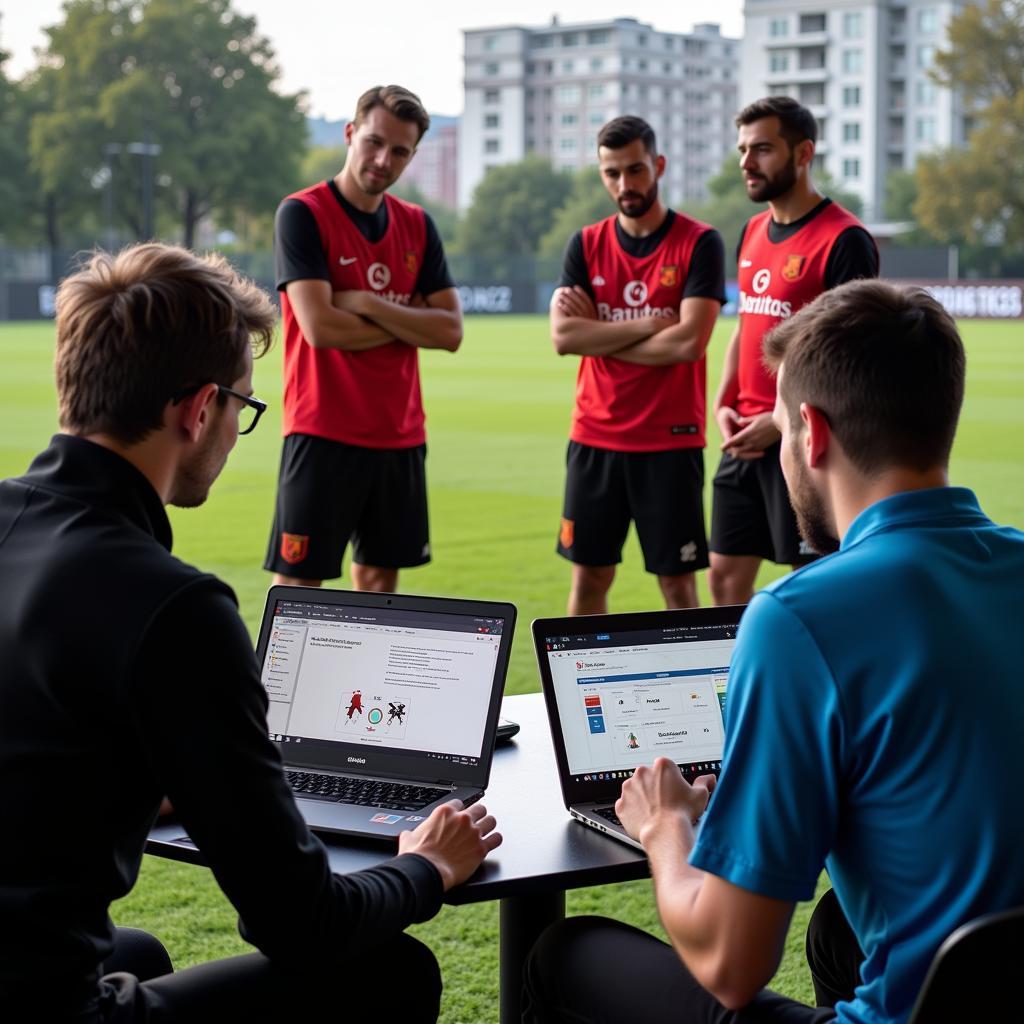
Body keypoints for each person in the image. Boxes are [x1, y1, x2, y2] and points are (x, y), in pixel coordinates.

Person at [0, 243, 500, 1022]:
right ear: (199, 409)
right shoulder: (175, 607)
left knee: (136, 954)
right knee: (390, 971)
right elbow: (305, 926)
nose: (237, 430)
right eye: (243, 407)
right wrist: (426, 869)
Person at [523, 279, 1024, 1023]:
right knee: (836, 930)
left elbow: (730, 963)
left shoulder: (801, 615)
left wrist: (668, 831)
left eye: (782, 427)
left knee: (562, 956)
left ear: (811, 434)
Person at [265, 84, 462, 594]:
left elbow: (450, 331)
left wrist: (370, 303)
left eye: (399, 151)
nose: (383, 159)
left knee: (379, 585)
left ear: (413, 155)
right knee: (299, 587)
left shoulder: (417, 225)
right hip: (322, 430)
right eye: (374, 142)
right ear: (351, 133)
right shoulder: (302, 214)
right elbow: (320, 327)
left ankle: (363, 682)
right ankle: (275, 681)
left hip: (399, 433)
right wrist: (407, 318)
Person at [550, 115, 726, 615]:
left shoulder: (699, 242)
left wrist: (599, 338)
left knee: (678, 590)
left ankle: (696, 696)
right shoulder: (585, 244)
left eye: (635, 170)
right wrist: (649, 323)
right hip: (594, 438)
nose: (624, 184)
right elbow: (564, 338)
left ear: (659, 166)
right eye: (611, 173)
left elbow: (688, 344)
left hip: (668, 442)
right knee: (589, 581)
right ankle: (576, 693)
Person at [708, 96, 878, 606]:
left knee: (818, 589)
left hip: (806, 443)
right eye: (742, 149)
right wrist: (723, 402)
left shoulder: (844, 239)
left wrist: (781, 422)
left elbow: (850, 363)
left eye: (761, 148)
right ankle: (739, 687)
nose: (746, 162)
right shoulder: (752, 230)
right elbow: (745, 327)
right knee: (723, 580)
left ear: (803, 153)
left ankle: (817, 687)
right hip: (744, 437)